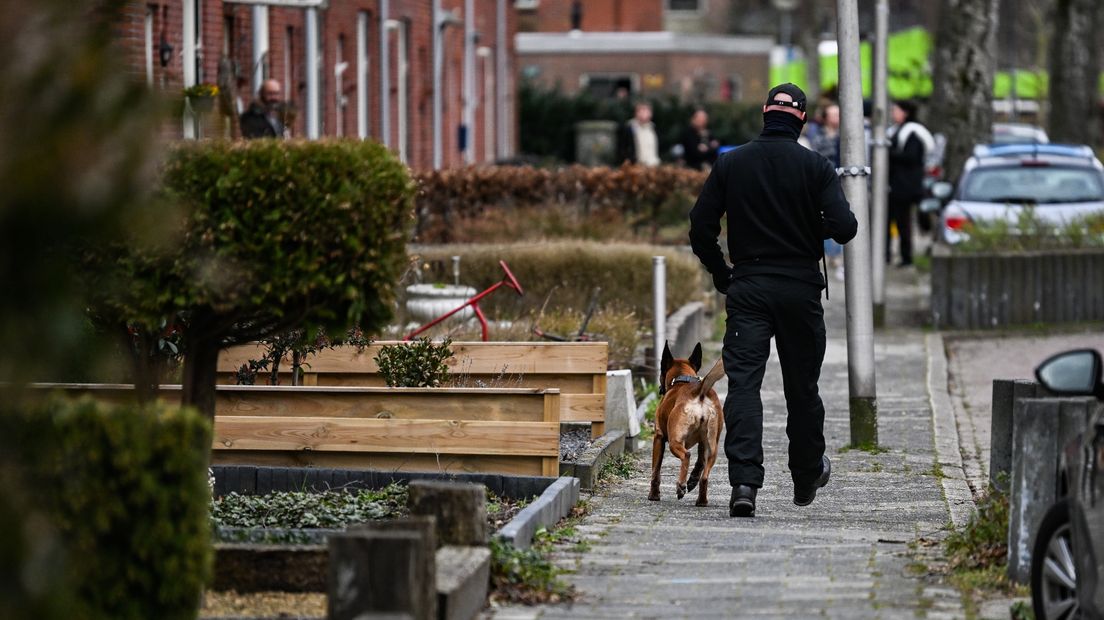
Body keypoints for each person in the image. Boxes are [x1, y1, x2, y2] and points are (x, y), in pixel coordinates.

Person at [688, 83, 858, 518]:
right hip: (800, 290)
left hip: (749, 288)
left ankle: (744, 483)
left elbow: (700, 226)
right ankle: (805, 476)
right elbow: (845, 227)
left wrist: (722, 273)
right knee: (802, 387)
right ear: (801, 119)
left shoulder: (731, 164)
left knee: (744, 384)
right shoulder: (816, 166)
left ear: (765, 113)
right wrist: (808, 226)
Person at [886, 99, 934, 266]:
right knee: (894, 221)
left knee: (902, 221)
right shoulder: (899, 130)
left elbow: (912, 157)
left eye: (895, 110)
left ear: (905, 112)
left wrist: (888, 152)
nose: (893, 113)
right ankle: (890, 255)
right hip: (898, 184)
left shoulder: (912, 132)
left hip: (904, 185)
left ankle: (905, 257)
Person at [809, 103, 844, 280]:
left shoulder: (846, 135)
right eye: (832, 114)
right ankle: (831, 254)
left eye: (838, 114)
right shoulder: (818, 135)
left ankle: (839, 256)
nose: (835, 118)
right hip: (824, 182)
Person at [617, 102, 660, 166]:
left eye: (647, 111)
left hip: (653, 163)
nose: (644, 113)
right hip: (636, 164)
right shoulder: (629, 127)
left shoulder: (653, 127)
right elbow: (622, 146)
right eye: (642, 111)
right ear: (636, 113)